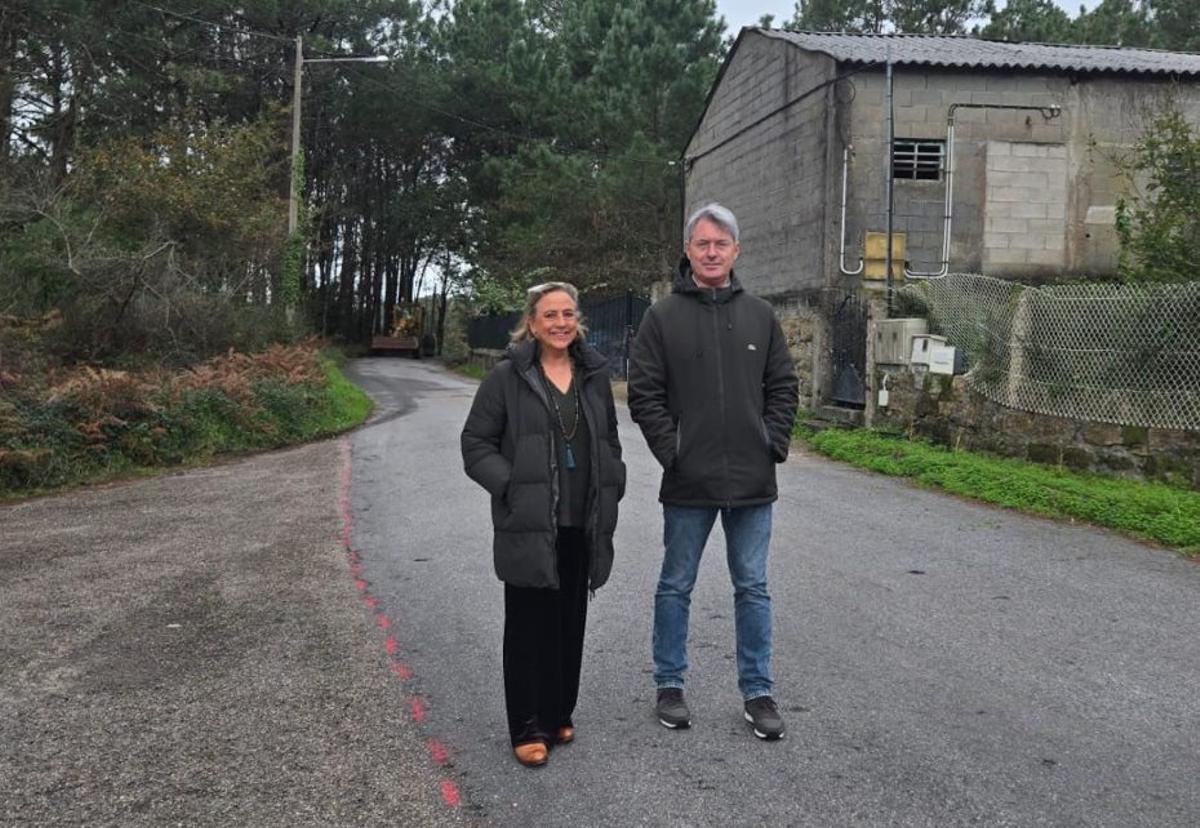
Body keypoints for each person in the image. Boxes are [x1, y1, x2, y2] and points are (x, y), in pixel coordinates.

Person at [628, 203, 799, 741]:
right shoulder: (662, 318)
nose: (711, 252)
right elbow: (644, 392)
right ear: (688, 250)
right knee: (676, 584)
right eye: (702, 243)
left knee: (753, 587)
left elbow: (785, 387)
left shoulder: (760, 316)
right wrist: (672, 451)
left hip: (752, 480)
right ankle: (670, 684)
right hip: (689, 480)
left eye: (720, 244)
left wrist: (772, 442)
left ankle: (758, 692)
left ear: (735, 251)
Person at [461, 281, 626, 767]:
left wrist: (613, 481)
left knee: (569, 621)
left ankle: (557, 712)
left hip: (583, 520)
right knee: (528, 627)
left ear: (578, 320)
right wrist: (511, 488)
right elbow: (475, 444)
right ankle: (527, 724)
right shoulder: (507, 377)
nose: (560, 323)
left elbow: (611, 442)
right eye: (549, 314)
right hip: (531, 523)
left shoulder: (593, 374)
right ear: (531, 323)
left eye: (568, 313)